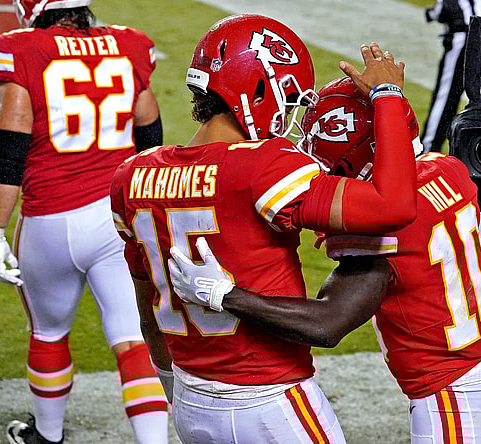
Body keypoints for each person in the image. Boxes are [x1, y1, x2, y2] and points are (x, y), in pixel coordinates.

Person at [168, 77, 481, 443]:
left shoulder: (376, 225)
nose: (312, 154)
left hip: (454, 398)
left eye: (322, 142)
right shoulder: (448, 170)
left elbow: (327, 322)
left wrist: (225, 295)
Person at [109, 14, 418, 444]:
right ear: (255, 89)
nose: (288, 114)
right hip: (271, 401)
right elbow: (396, 204)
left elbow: (148, 308)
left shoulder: (131, 175)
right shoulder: (263, 164)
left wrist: (171, 384)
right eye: (287, 97)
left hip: (191, 399)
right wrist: (388, 96)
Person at [0, 1, 169, 443]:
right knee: (133, 339)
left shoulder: (20, 49)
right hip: (115, 221)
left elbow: (9, 149)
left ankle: (47, 435)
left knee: (48, 333)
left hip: (50, 219)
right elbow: (150, 138)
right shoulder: (130, 43)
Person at [421, 0, 481, 153]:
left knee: (446, 97)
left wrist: (432, 13)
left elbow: (447, 8)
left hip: (470, 32)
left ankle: (427, 151)